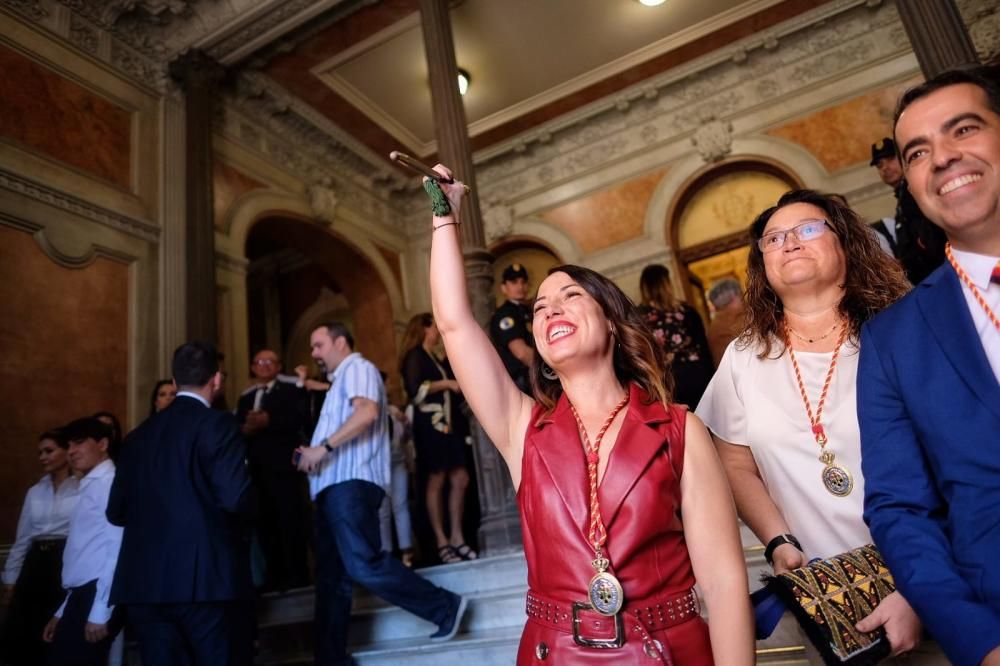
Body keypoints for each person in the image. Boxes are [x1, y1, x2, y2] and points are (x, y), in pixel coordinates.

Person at [425, 164, 753, 664]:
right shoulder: (522, 428)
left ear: (613, 322)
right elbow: (453, 324)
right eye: (539, 307)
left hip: (666, 648)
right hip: (553, 651)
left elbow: (725, 584)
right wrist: (444, 217)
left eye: (570, 296)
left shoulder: (678, 429)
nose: (551, 309)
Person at [695, 189, 950, 664]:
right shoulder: (744, 358)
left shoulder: (905, 330)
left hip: (943, 578)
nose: (789, 243)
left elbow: (957, 464)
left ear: (846, 244)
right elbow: (733, 461)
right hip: (829, 598)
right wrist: (777, 541)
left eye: (807, 229)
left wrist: (921, 587)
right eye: (773, 238)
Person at [859, 66, 1000, 666]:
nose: (942, 157)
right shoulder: (895, 338)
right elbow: (900, 511)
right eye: (918, 152)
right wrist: (981, 642)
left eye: (963, 129)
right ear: (911, 184)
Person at [294, 323, 466, 666]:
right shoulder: (339, 381)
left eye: (318, 345)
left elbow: (368, 412)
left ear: (340, 342)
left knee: (363, 563)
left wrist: (322, 448)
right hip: (332, 486)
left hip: (351, 484)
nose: (314, 354)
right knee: (331, 578)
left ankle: (445, 606)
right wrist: (312, 455)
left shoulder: (358, 368)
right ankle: (330, 659)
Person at [107, 341, 256, 666]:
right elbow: (235, 499)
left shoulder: (136, 437)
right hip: (205, 581)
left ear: (174, 383)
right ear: (216, 380)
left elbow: (115, 512)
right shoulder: (218, 424)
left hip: (143, 583)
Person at [43, 417, 122, 666]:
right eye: (68, 445)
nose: (72, 451)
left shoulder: (109, 483)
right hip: (82, 594)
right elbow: (86, 554)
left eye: (79, 443)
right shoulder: (89, 484)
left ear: (103, 444)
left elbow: (116, 549)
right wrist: (63, 610)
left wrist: (101, 610)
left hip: (97, 594)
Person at [399, 313, 476, 564]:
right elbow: (415, 390)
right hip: (430, 425)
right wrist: (447, 384)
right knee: (436, 478)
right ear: (423, 328)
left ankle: (456, 536)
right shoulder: (415, 356)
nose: (437, 332)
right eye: (434, 327)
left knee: (460, 476)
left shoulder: (434, 356)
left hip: (448, 425)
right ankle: (441, 540)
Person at [1, 430, 80, 666]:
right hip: (36, 563)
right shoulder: (35, 491)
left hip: (65, 560)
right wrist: (10, 579)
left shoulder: (83, 487)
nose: (42, 457)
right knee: (26, 632)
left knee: (59, 631)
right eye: (40, 453)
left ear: (66, 451)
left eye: (49, 451)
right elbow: (23, 539)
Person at [236, 348, 311, 592]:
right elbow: (238, 429)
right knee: (265, 524)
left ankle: (298, 575)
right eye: (259, 361)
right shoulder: (245, 397)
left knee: (292, 521)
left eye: (270, 361)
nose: (264, 365)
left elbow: (300, 419)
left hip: (285, 467)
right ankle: (274, 576)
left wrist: (270, 421)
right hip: (257, 471)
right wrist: (246, 429)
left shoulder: (290, 389)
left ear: (279, 366)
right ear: (253, 367)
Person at [869, 137, 948, 284]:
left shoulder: (916, 191)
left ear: (903, 159)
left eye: (891, 159)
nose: (885, 168)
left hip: (941, 273)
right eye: (879, 165)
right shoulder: (903, 197)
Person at [638, 264, 715, 407]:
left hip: (665, 383)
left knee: (681, 426)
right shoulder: (686, 311)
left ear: (644, 287)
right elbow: (703, 349)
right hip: (696, 375)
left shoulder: (638, 317)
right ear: (667, 284)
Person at [489, 263, 535, 393]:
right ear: (504, 288)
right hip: (523, 381)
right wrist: (550, 370)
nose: (520, 286)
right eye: (514, 282)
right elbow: (521, 352)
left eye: (523, 282)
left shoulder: (527, 310)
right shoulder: (505, 314)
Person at [705, 277, 745, 367]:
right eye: (740, 293)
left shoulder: (716, 324)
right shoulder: (735, 319)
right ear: (734, 297)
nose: (743, 297)